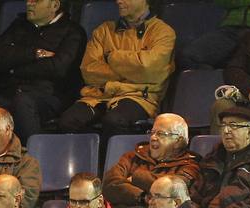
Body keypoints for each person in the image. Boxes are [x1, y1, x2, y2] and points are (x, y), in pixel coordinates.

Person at [0, 0, 85, 139]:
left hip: (48, 96)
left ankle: (34, 157)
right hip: (10, 94)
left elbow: (58, 68)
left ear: (54, 5)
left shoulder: (72, 31)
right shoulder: (19, 25)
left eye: (36, 0)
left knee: (23, 102)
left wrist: (13, 68)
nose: (29, 3)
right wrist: (34, 53)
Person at [59, 0, 176, 138]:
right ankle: (89, 158)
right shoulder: (103, 30)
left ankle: (116, 159)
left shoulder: (163, 33)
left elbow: (148, 69)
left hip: (139, 97)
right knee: (67, 121)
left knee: (114, 121)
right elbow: (88, 70)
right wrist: (131, 72)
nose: (119, 1)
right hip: (99, 96)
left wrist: (111, 57)